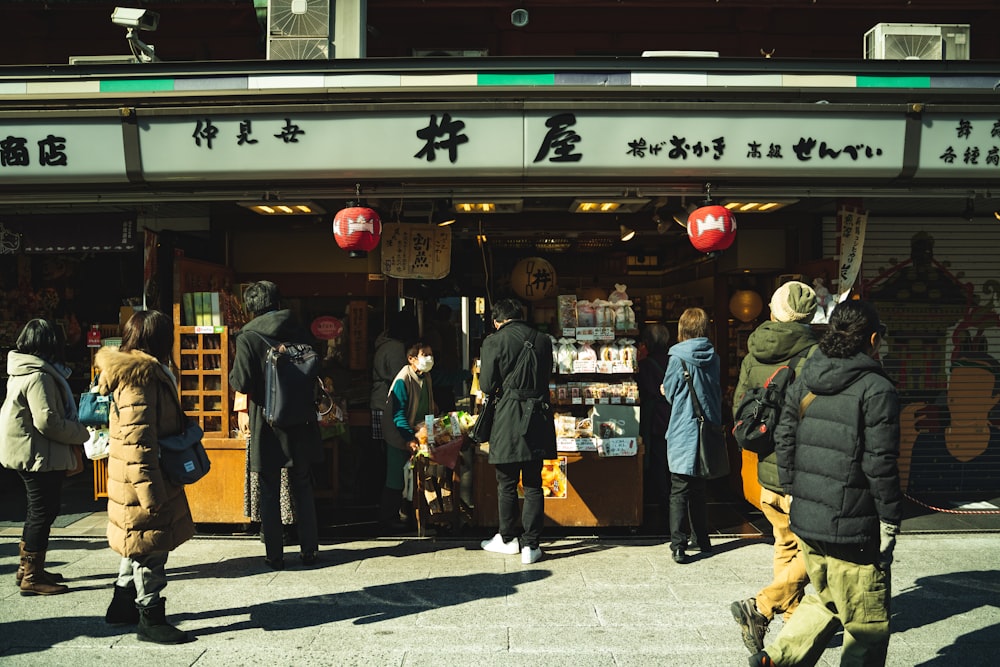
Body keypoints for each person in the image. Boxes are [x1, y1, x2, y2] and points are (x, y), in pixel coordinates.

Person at [752, 300, 902, 667]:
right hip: (855, 523)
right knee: (866, 623)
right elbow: (880, 462)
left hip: (807, 516)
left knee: (826, 598)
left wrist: (791, 488)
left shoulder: (808, 375)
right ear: (871, 339)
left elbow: (784, 436)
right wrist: (889, 520)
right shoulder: (875, 387)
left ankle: (778, 658)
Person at [730, 281, 819, 654]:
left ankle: (791, 621)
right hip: (804, 472)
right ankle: (763, 606)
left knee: (785, 543)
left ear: (772, 310)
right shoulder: (816, 355)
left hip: (766, 471)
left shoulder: (753, 353)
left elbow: (738, 408)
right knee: (818, 551)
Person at [95, 310, 195, 644]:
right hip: (144, 478)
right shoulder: (140, 377)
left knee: (136, 543)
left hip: (136, 475)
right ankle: (151, 618)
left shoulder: (131, 371)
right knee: (151, 544)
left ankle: (121, 605)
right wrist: (152, 496)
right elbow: (139, 442)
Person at [230, 280, 322, 569]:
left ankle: (275, 554)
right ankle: (310, 550)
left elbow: (241, 382)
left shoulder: (248, 336)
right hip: (301, 417)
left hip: (267, 420)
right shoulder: (299, 327)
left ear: (251, 307)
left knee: (269, 486)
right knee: (302, 483)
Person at [0, 318, 89, 596]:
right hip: (36, 455)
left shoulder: (22, 370)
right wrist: (81, 433)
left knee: (37, 510)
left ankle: (27, 568)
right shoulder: (39, 375)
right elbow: (47, 421)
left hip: (28, 451)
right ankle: (32, 575)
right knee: (43, 511)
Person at [478, 298, 556, 565]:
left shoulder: (493, 341)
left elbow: (487, 385)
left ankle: (507, 539)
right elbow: (548, 375)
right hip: (538, 415)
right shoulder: (543, 339)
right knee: (534, 481)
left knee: (507, 482)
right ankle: (531, 546)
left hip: (508, 415)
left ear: (498, 321)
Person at [661, 307, 722, 564]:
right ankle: (703, 540)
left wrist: (664, 389)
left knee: (679, 488)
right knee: (699, 486)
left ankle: (678, 545)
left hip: (683, 428)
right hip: (706, 427)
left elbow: (673, 393)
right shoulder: (713, 357)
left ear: (682, 329)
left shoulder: (677, 357)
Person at [381, 341, 438, 526]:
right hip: (399, 433)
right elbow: (398, 414)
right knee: (396, 477)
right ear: (411, 359)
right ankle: (389, 519)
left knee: (415, 476)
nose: (429, 358)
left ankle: (413, 516)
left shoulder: (425, 376)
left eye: (430, 354)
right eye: (424, 355)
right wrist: (408, 438)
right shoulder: (403, 379)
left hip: (418, 430)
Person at [370, 310, 417, 529]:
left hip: (378, 403)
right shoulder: (397, 348)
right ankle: (389, 513)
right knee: (393, 459)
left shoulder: (383, 344)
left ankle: (385, 508)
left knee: (384, 457)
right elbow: (402, 378)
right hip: (387, 404)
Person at [637, 323, 672, 532]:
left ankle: (663, 500)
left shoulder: (646, 365)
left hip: (655, 420)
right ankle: (673, 503)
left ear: (648, 343)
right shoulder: (674, 361)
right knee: (671, 463)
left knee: (659, 462)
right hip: (673, 418)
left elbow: (645, 391)